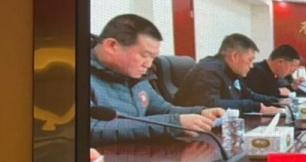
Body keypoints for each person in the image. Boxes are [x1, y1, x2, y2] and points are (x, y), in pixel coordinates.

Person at [90, 14, 224, 146]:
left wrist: (200, 113)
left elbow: (163, 110)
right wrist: (173, 124)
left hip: (138, 153)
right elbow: (92, 129)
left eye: (153, 57)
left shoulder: (135, 77)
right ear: (111, 45)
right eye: (144, 55)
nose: (148, 64)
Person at [173, 33, 285, 115]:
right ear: (235, 56)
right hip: (190, 131)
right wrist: (254, 106)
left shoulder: (232, 71)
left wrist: (276, 100)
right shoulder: (209, 70)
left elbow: (248, 94)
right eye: (250, 60)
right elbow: (209, 104)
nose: (251, 66)